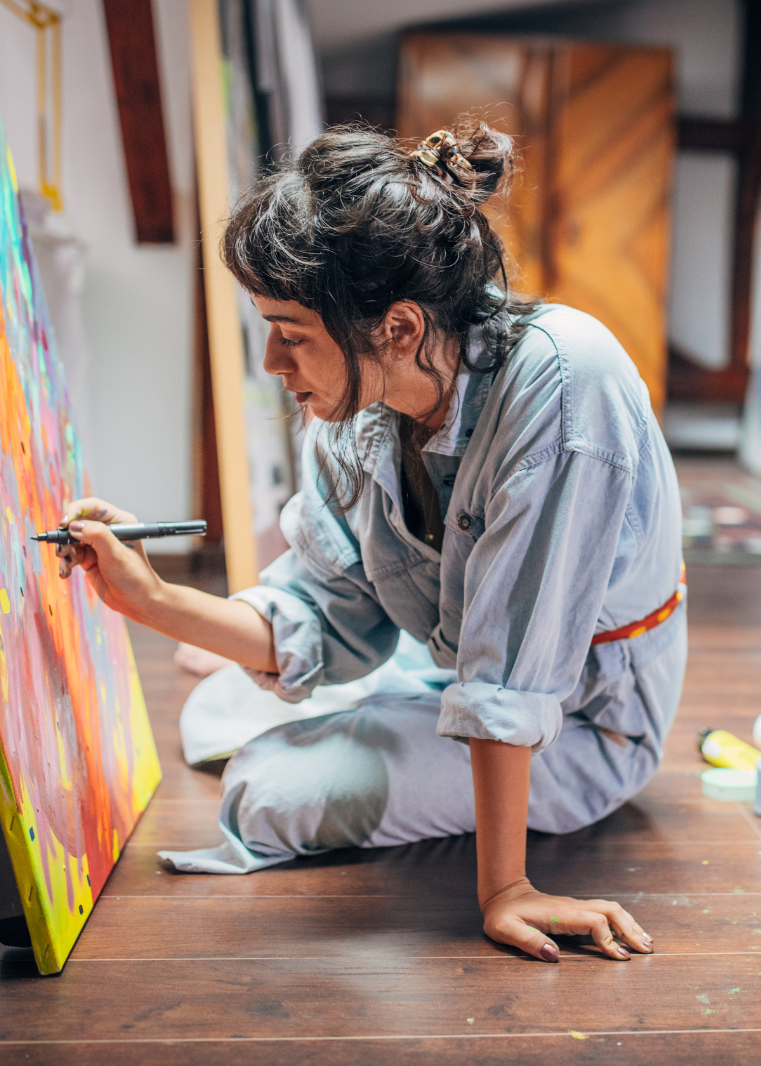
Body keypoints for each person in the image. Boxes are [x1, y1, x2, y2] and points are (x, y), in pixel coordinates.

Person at [59, 122, 686, 964]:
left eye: (291, 332)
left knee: (266, 792)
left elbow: (508, 673)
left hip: (581, 720)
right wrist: (154, 601)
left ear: (395, 326)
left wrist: (507, 891)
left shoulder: (569, 385)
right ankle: (380, 711)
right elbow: (328, 615)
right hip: (449, 663)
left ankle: (388, 725)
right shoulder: (358, 411)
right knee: (216, 707)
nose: (275, 362)